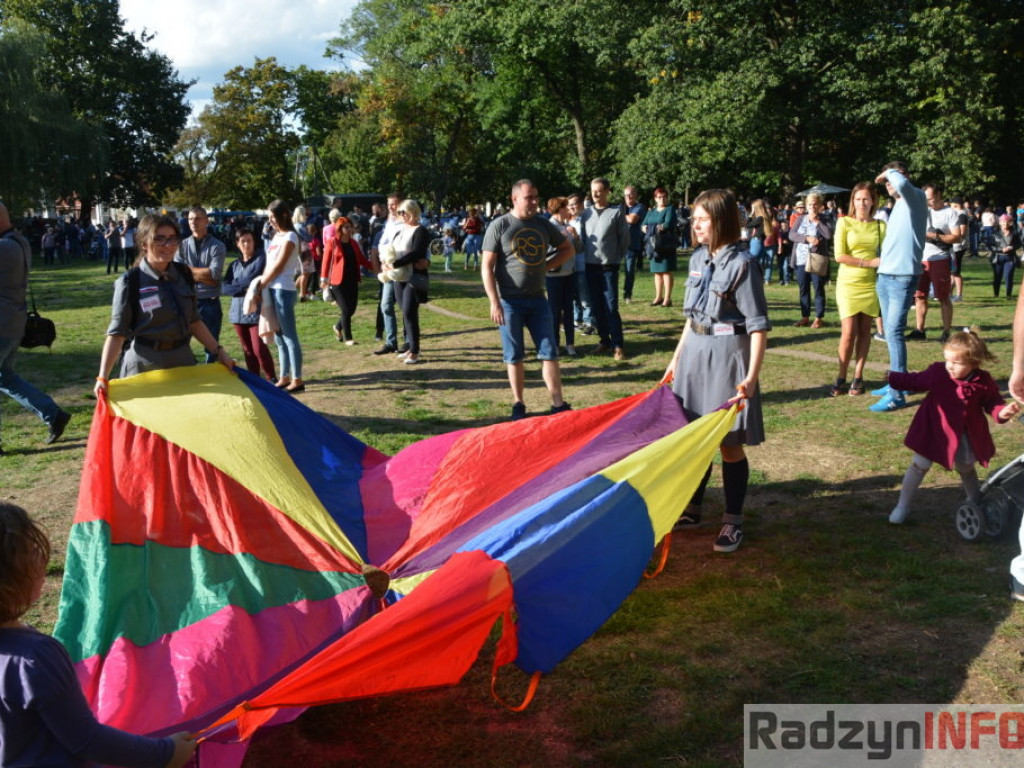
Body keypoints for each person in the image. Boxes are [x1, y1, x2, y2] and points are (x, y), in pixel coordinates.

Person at [0, 502, 196, 767]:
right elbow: (88, 741)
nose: (39, 558)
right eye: (29, 552)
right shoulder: (37, 657)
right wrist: (166, 753)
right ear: (10, 579)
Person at [665, 188, 770, 553]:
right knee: (695, 440)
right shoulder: (696, 258)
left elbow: (757, 326)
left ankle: (732, 521)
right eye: (694, 219)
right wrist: (675, 360)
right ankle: (693, 508)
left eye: (702, 219)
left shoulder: (743, 264)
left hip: (727, 357)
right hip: (695, 352)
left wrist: (751, 378)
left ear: (721, 221)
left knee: (728, 445)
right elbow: (691, 320)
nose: (694, 224)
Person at [886, 331, 1019, 525]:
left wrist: (1002, 412)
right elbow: (917, 381)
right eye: (947, 359)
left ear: (974, 362)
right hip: (934, 429)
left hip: (965, 434)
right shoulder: (939, 372)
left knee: (966, 467)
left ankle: (974, 503)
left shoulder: (983, 380)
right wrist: (894, 378)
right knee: (919, 464)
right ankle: (902, 506)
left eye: (957, 363)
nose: (950, 365)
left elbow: (992, 403)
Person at [94, 215, 234, 397]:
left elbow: (194, 321)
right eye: (159, 239)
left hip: (182, 364)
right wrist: (102, 377)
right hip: (145, 369)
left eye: (172, 238)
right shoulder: (130, 281)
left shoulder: (184, 274)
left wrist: (219, 351)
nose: (167, 245)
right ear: (144, 243)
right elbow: (117, 333)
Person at [482, 179, 575, 420]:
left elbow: (568, 249)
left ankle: (558, 403)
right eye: (529, 197)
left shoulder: (543, 225)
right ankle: (518, 403)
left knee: (549, 352)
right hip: (509, 302)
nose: (534, 202)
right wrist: (494, 301)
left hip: (538, 300)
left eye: (536, 197)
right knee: (514, 355)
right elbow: (487, 266)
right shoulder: (500, 225)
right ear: (515, 199)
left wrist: (545, 266)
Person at [0, 203, 71, 453]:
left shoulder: (4, 247)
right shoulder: (18, 242)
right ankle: (53, 414)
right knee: (5, 378)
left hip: (3, 324)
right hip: (13, 323)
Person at [870, 162, 928, 412]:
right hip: (886, 276)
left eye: (893, 178)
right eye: (887, 182)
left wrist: (886, 174)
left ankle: (897, 393)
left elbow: (902, 183)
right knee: (889, 334)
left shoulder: (915, 196)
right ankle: (899, 381)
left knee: (893, 333)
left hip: (902, 277)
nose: (889, 183)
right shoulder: (898, 206)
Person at [831, 182, 885, 396]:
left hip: (871, 284)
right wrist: (868, 263)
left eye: (866, 199)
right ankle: (841, 375)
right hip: (848, 283)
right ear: (852, 201)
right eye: (858, 199)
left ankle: (858, 376)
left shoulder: (880, 226)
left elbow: (890, 251)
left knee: (865, 332)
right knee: (848, 333)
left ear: (873, 201)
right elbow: (839, 256)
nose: (861, 203)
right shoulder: (844, 223)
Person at [254, 200, 304, 392]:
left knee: (290, 336)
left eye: (272, 217)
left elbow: (279, 266)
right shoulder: (276, 236)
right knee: (279, 336)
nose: (270, 221)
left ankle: (297, 379)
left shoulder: (291, 236)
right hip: (272, 289)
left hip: (283, 289)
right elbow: (269, 265)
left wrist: (261, 284)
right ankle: (284, 376)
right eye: (269, 217)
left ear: (283, 215)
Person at [580, 177, 629, 360]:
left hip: (609, 267)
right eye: (593, 190)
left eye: (599, 190)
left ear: (607, 191)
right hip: (590, 266)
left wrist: (615, 257)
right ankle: (604, 341)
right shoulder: (586, 214)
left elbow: (624, 239)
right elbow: (584, 239)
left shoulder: (616, 213)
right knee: (596, 306)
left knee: (611, 307)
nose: (595, 194)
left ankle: (617, 345)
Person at [905, 184, 962, 343]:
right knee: (920, 296)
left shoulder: (950, 213)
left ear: (939, 195)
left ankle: (946, 332)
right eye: (925, 199)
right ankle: (919, 330)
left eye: (929, 198)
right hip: (921, 259)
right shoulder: (922, 211)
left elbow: (957, 237)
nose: (927, 202)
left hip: (940, 258)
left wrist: (934, 236)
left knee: (943, 297)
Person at [221, 227, 276, 381]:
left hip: (256, 312)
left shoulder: (261, 259)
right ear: (238, 244)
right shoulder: (233, 265)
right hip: (237, 312)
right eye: (243, 241)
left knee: (259, 349)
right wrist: (245, 289)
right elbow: (224, 287)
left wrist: (238, 285)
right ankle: (255, 379)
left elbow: (252, 278)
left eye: (249, 240)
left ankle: (272, 378)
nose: (247, 244)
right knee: (247, 350)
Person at [175, 206, 225, 364]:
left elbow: (215, 274)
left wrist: (189, 272)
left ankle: (212, 378)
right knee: (181, 344)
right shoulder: (182, 246)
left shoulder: (217, 246)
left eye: (197, 218)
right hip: (187, 301)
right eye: (190, 219)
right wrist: (205, 275)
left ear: (206, 221)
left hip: (209, 302)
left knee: (212, 346)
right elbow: (177, 273)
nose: (193, 222)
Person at [321, 216, 373, 345]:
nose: (349, 229)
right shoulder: (332, 242)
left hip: (352, 279)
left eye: (350, 227)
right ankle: (348, 338)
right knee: (346, 309)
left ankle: (338, 327)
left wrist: (376, 266)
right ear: (340, 228)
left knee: (352, 309)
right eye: (346, 227)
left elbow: (361, 259)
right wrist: (323, 279)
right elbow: (326, 262)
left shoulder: (353, 243)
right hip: (337, 281)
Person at [392, 199, 430, 364]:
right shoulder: (400, 230)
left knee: (409, 311)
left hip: (413, 277)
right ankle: (410, 346)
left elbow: (416, 253)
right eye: (399, 212)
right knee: (405, 312)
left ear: (413, 212)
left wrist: (395, 263)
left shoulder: (421, 230)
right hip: (398, 277)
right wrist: (387, 262)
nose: (401, 215)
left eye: (404, 212)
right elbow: (392, 249)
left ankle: (415, 351)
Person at [788, 192, 833, 328]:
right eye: (810, 204)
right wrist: (806, 238)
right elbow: (791, 235)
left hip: (817, 259)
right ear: (806, 205)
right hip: (801, 259)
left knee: (818, 288)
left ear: (819, 206)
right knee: (803, 289)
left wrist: (816, 222)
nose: (812, 206)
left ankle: (818, 318)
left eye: (815, 204)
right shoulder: (800, 219)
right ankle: (805, 317)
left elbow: (828, 234)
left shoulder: (824, 218)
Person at [544, 196, 580, 357]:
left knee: (569, 310)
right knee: (554, 311)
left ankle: (570, 344)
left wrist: (576, 236)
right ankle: (555, 344)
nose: (570, 210)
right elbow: (548, 249)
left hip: (569, 273)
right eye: (567, 207)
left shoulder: (568, 226)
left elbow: (579, 249)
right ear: (559, 209)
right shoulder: (549, 226)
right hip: (553, 276)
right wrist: (565, 236)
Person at [643, 188, 678, 307]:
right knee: (657, 272)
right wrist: (647, 227)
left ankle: (667, 298)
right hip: (653, 245)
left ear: (667, 197)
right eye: (659, 197)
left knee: (667, 272)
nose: (662, 199)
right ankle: (658, 297)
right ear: (655, 198)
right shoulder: (651, 211)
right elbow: (643, 224)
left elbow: (667, 224)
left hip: (666, 244)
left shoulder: (670, 209)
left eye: (664, 196)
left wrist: (651, 227)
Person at [568, 193, 595, 335]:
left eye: (574, 204)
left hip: (583, 263)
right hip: (570, 265)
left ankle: (590, 322)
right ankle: (577, 320)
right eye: (569, 204)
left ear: (581, 204)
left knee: (585, 296)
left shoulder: (585, 220)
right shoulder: (569, 222)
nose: (571, 207)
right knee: (574, 296)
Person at [622, 185, 646, 303]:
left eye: (631, 194)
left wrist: (620, 216)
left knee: (629, 270)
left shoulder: (640, 207)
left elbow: (632, 220)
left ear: (636, 195)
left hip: (632, 244)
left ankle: (627, 295)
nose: (628, 197)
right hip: (618, 244)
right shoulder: (621, 207)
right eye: (626, 194)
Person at [990, 213, 1019, 299]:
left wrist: (1012, 247)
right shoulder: (994, 234)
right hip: (998, 258)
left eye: (1007, 222)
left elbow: (1019, 243)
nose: (1005, 224)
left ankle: (1008, 295)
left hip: (1010, 257)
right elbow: (990, 246)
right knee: (997, 277)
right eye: (1003, 222)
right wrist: (1000, 250)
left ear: (1010, 223)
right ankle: (996, 294)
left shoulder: (1014, 233)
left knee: (1008, 276)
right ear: (1000, 223)